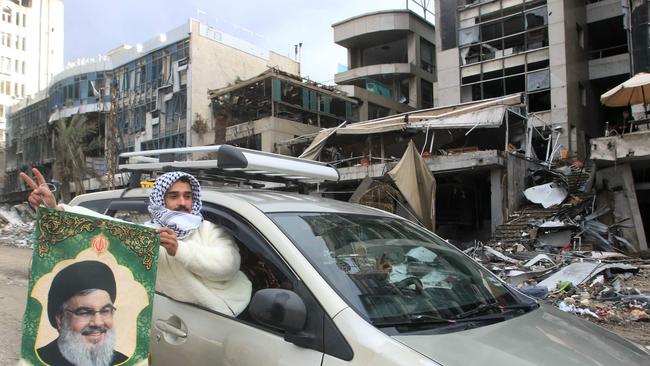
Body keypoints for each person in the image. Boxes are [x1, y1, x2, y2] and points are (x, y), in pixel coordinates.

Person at [19, 169, 252, 316]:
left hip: (231, 312)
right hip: (183, 323)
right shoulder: (147, 236)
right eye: (174, 196)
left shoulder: (209, 230)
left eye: (187, 196)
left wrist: (178, 248)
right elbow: (100, 225)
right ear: (161, 200)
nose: (183, 202)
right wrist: (54, 209)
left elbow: (226, 265)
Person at [37, 260, 128, 366]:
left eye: (105, 311)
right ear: (60, 319)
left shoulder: (126, 363)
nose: (98, 323)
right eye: (84, 312)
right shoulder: (36, 361)